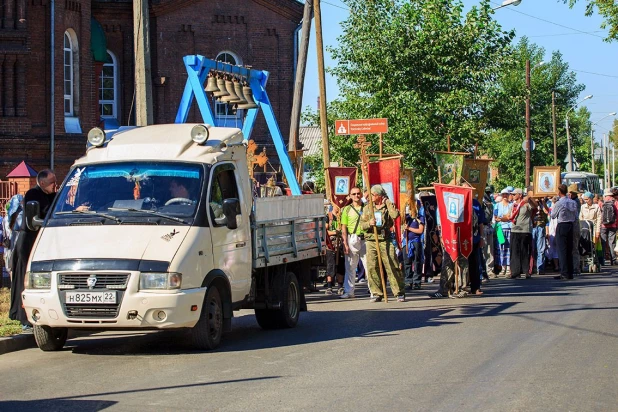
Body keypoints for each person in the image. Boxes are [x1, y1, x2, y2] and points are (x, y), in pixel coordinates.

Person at [10, 170, 57, 331]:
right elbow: (44, 213)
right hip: (28, 240)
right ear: (42, 183)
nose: (54, 185)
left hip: (42, 240)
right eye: (52, 182)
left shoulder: (52, 194)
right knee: (25, 276)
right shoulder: (33, 194)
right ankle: (24, 317)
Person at [360, 184, 405, 302]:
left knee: (392, 264)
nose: (370, 197)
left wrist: (389, 203)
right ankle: (376, 293)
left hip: (385, 240)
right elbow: (361, 226)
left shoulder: (387, 206)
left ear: (379, 196)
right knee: (372, 266)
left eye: (372, 195)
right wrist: (369, 223)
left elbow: (395, 215)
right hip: (371, 240)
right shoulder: (367, 208)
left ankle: (399, 292)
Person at [340, 187, 366, 299]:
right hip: (352, 238)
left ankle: (374, 291)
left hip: (365, 238)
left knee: (369, 266)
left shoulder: (367, 208)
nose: (356, 195)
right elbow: (343, 228)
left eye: (358, 193)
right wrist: (345, 244)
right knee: (350, 266)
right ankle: (349, 291)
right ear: (350, 196)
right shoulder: (346, 210)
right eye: (354, 194)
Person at [551, 184, 578, 280]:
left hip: (562, 225)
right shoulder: (573, 202)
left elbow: (553, 215)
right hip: (570, 225)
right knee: (569, 249)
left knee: (562, 250)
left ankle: (564, 272)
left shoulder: (559, 203)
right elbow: (576, 216)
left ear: (559, 192)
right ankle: (570, 272)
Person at [509, 188, 536, 279]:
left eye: (514, 194)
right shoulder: (512, 205)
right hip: (514, 230)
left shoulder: (526, 204)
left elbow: (535, 206)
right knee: (514, 252)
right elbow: (508, 216)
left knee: (525, 251)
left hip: (525, 230)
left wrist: (529, 198)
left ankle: (527, 271)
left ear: (520, 195)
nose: (512, 196)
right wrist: (501, 218)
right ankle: (515, 272)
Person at [403, 200, 425, 290]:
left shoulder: (420, 217)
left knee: (417, 262)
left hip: (416, 241)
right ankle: (408, 281)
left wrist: (409, 228)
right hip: (406, 242)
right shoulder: (406, 217)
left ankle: (417, 282)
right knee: (407, 262)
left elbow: (420, 230)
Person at [495, 188, 513, 277]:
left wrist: (502, 218)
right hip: (500, 228)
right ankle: (503, 267)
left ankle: (509, 268)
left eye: (506, 194)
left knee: (509, 248)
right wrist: (502, 218)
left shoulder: (511, 205)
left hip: (509, 228)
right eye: (503, 194)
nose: (505, 196)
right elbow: (495, 216)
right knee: (501, 248)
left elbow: (510, 217)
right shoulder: (497, 205)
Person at [531, 197, 550, 275]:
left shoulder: (544, 204)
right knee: (532, 248)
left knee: (541, 249)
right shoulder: (531, 203)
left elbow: (547, 211)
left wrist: (542, 201)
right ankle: (532, 267)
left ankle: (540, 267)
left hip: (541, 227)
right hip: (533, 227)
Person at [599, 189, 617, 266]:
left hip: (603, 225)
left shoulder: (601, 202)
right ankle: (613, 259)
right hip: (613, 225)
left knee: (603, 242)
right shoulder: (615, 202)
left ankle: (602, 260)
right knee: (611, 242)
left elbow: (599, 214)